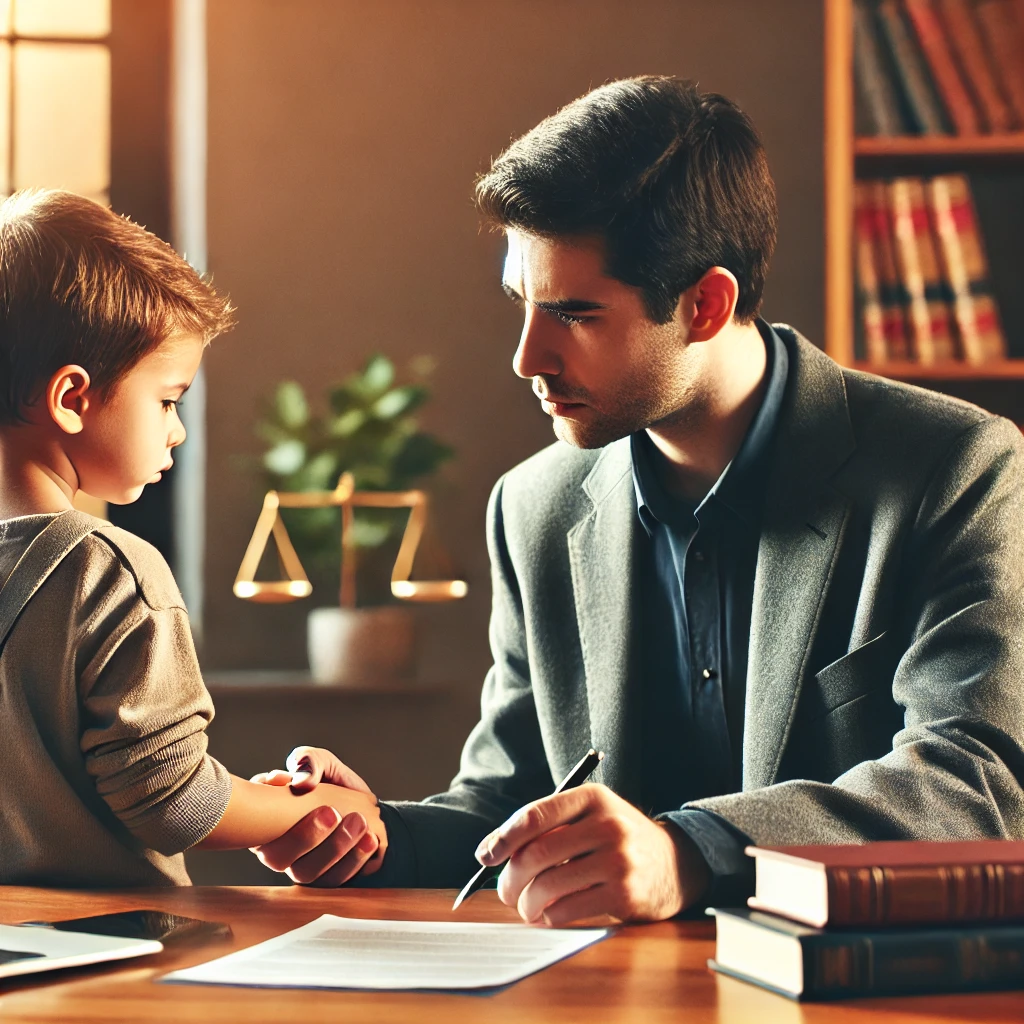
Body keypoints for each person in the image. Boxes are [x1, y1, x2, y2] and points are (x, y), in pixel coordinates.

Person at [250, 77, 1024, 924]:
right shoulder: (534, 508)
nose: (525, 358)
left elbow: (974, 783)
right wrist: (377, 835)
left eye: (574, 314)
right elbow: (511, 801)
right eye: (523, 305)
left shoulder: (960, 469)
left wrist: (689, 852)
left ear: (706, 304)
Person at [0, 189, 385, 887]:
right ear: (71, 398)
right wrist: (314, 807)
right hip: (113, 958)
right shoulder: (106, 570)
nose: (176, 429)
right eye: (168, 399)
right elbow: (170, 801)